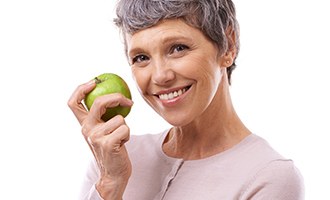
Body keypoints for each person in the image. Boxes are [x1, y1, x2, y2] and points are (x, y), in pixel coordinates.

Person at [68, 0, 304, 199]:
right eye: (141, 57)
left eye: (178, 48)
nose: (160, 76)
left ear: (228, 45)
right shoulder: (113, 157)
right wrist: (110, 183)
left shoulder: (269, 176)